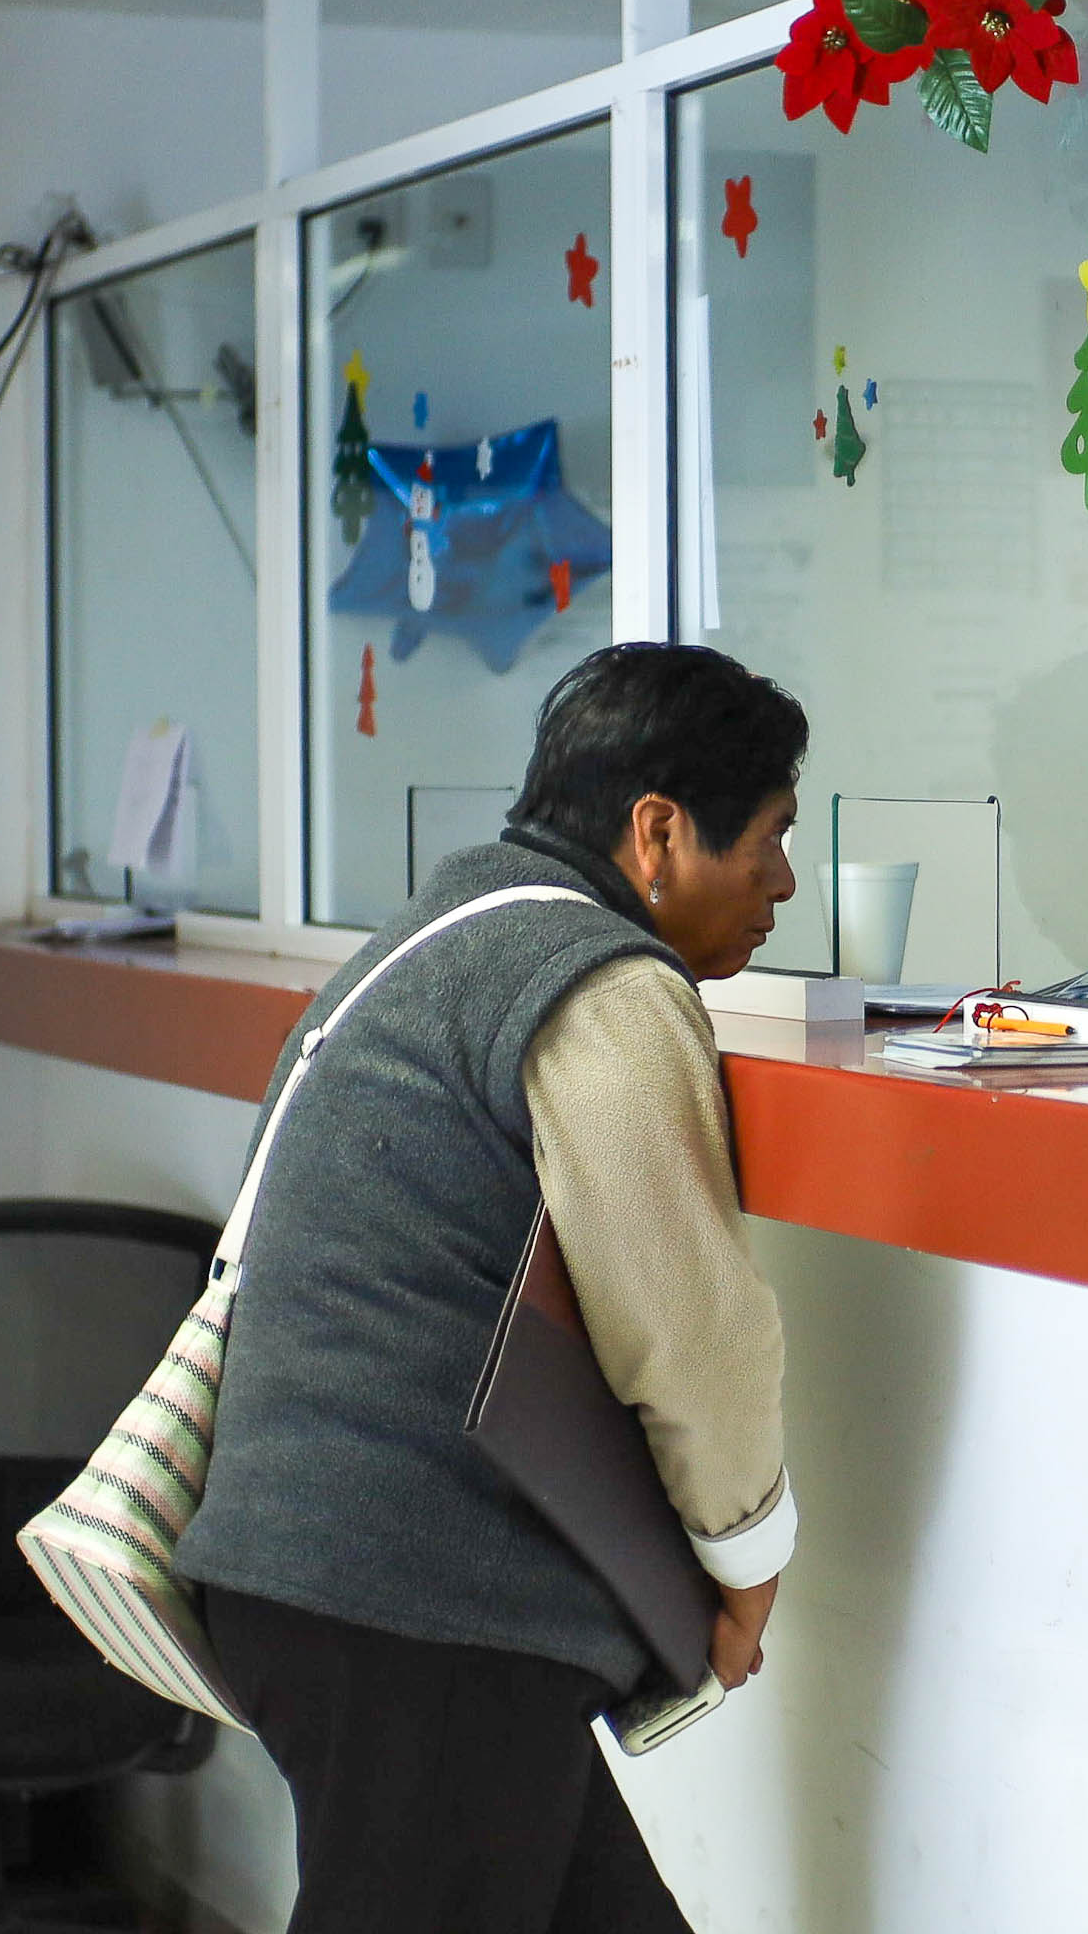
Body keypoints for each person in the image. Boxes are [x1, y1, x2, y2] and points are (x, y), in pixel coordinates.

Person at [175, 642, 807, 1933]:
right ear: (659, 833)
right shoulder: (600, 984)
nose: (784, 884)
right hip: (421, 1606)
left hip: (319, 1576)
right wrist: (747, 1563)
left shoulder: (424, 941)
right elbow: (689, 1325)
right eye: (772, 840)